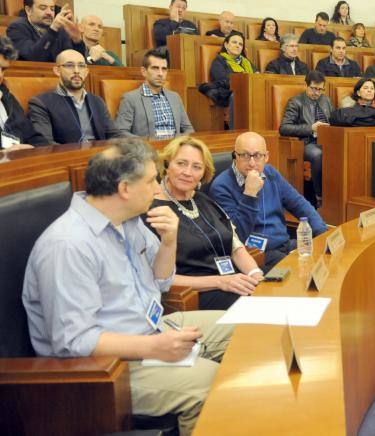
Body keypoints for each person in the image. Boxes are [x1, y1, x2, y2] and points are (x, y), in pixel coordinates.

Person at [22, 138, 233, 436]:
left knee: (242, 323)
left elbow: (161, 281)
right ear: (124, 189)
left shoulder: (129, 220)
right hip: (109, 368)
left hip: (149, 328)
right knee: (217, 381)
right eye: (151, 182)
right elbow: (73, 341)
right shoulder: (67, 245)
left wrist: (169, 240)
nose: (159, 190)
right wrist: (155, 347)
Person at [145, 136, 264, 311]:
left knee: (272, 294)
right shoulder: (152, 211)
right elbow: (158, 277)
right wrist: (220, 281)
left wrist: (256, 275)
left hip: (232, 282)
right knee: (257, 310)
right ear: (167, 164)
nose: (187, 172)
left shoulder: (204, 200)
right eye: (181, 163)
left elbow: (236, 247)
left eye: (196, 167)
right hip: (193, 295)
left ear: (203, 173)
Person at [210, 132, 327, 270]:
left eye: (258, 156)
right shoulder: (221, 187)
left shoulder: (270, 173)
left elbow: (299, 203)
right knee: (305, 270)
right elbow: (236, 236)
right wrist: (250, 194)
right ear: (235, 156)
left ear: (266, 157)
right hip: (256, 255)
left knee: (327, 259)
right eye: (245, 155)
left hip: (285, 245)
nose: (252, 163)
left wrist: (323, 234)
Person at [29, 49, 123, 144]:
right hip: (67, 156)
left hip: (100, 155)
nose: (77, 71)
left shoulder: (96, 100)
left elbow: (114, 134)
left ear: (86, 72)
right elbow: (44, 143)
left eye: (81, 66)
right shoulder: (41, 103)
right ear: (57, 71)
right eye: (69, 65)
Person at [279, 71, 332, 206]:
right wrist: (311, 128)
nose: (317, 93)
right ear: (305, 85)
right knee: (318, 154)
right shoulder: (296, 102)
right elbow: (284, 128)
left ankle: (336, 195)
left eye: (320, 89)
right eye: (314, 88)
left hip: (328, 140)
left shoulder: (326, 100)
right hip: (307, 143)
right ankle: (320, 197)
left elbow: (334, 119)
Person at [116, 49, 194, 139]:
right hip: (148, 149)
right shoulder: (130, 99)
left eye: (164, 69)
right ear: (144, 71)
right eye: (155, 68)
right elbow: (120, 133)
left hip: (175, 148)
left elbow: (189, 129)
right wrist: (146, 143)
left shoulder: (175, 97)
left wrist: (178, 142)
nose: (160, 74)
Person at [7, 0, 86, 62]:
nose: (49, 13)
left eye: (52, 9)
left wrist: (77, 40)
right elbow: (33, 57)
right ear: (28, 10)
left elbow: (75, 60)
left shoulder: (60, 31)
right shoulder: (16, 28)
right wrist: (53, 29)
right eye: (43, 8)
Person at [0, 37, 48, 150]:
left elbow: (32, 135)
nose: (0, 75)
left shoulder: (7, 96)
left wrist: (41, 152)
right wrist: (4, 153)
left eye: (3, 69)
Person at [201, 31, 255, 116]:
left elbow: (257, 76)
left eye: (240, 44)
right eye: (234, 42)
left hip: (250, 92)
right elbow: (222, 80)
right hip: (229, 93)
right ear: (226, 45)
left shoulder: (247, 62)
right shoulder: (219, 61)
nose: (237, 45)